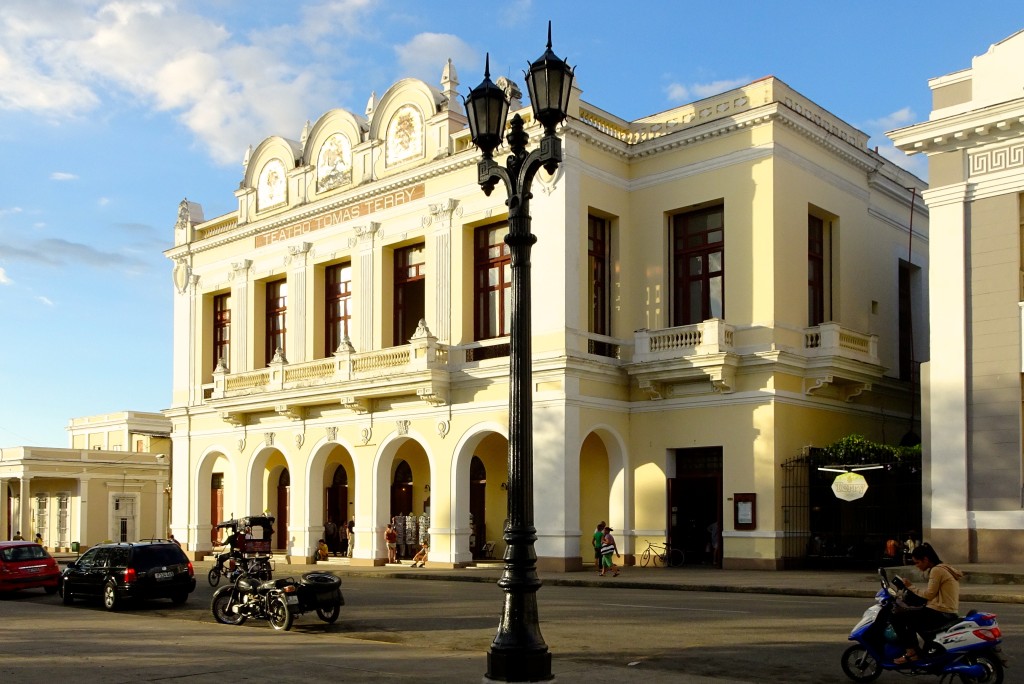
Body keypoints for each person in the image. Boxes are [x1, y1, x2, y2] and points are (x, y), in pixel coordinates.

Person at [890, 542, 962, 664]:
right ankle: (923, 649)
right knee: (911, 618)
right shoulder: (944, 568)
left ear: (926, 559)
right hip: (947, 610)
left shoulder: (936, 570)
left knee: (896, 616)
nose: (917, 566)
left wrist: (910, 586)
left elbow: (929, 594)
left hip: (940, 611)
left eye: (917, 562)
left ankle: (911, 653)